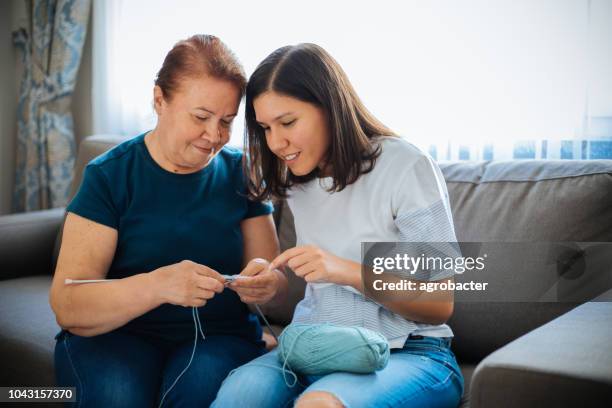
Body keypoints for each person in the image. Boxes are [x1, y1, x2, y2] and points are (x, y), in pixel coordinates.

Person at [213, 43, 464, 408]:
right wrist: (267, 281)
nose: (276, 142)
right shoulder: (296, 178)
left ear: (330, 107)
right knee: (239, 395)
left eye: (288, 122)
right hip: (314, 348)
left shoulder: (406, 166)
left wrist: (345, 271)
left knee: (319, 404)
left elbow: (439, 303)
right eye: (265, 127)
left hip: (412, 353)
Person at [49, 34, 288, 407]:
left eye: (226, 121)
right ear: (159, 99)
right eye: (201, 117)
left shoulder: (243, 173)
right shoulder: (110, 176)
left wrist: (267, 285)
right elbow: (68, 303)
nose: (215, 136)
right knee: (119, 396)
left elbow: (270, 276)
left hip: (218, 337)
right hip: (115, 334)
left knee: (197, 392)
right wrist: (158, 286)